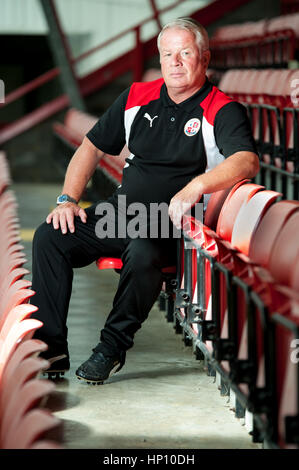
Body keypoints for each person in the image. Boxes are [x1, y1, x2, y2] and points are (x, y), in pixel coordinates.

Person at [31, 18, 259, 384]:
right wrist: (67, 199)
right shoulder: (138, 96)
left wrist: (196, 185)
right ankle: (51, 347)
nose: (176, 62)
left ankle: (110, 348)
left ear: (204, 57)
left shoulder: (222, 108)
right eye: (168, 54)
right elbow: (90, 148)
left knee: (142, 249)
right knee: (50, 235)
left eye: (185, 53)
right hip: (122, 213)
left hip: (174, 224)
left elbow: (246, 160)